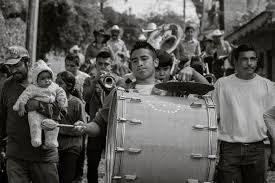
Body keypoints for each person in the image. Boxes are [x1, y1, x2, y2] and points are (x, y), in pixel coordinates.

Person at [74, 41, 209, 138]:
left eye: (144, 59)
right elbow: (99, 125)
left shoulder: (172, 88)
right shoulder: (120, 92)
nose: (139, 63)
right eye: (134, 61)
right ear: (131, 65)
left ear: (155, 62)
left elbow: (207, 91)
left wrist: (193, 71)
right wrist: (85, 127)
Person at [212, 44, 275, 183]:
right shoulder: (222, 84)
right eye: (244, 59)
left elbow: (271, 123)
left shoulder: (267, 86)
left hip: (257, 149)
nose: (249, 63)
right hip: (229, 149)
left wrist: (274, 152)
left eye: (253, 59)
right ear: (235, 61)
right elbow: (212, 117)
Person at [0, 46, 59, 183]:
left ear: (27, 62)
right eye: (10, 67)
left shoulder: (46, 81)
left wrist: (39, 106)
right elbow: (2, 117)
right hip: (15, 157)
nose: (13, 70)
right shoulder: (7, 86)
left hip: (44, 157)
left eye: (17, 65)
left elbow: (61, 112)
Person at [83, 50, 122, 183]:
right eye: (100, 64)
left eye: (106, 64)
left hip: (112, 127)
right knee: (93, 162)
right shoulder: (89, 80)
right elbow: (86, 97)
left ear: (111, 65)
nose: (103, 67)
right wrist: (95, 81)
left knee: (115, 163)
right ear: (96, 64)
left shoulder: (118, 80)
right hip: (95, 124)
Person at [13, 60, 67, 148]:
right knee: (34, 123)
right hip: (36, 113)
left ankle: (51, 141)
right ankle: (36, 138)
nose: (47, 81)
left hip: (51, 112)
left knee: (53, 125)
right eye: (43, 78)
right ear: (36, 79)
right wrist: (21, 106)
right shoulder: (33, 87)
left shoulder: (54, 86)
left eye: (49, 78)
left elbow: (61, 93)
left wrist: (62, 101)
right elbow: (24, 97)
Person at [55, 71, 86, 183]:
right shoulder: (51, 101)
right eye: (56, 82)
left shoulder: (77, 103)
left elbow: (83, 126)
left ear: (69, 86)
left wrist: (77, 126)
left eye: (60, 83)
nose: (56, 85)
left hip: (71, 148)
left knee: (66, 179)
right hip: (55, 146)